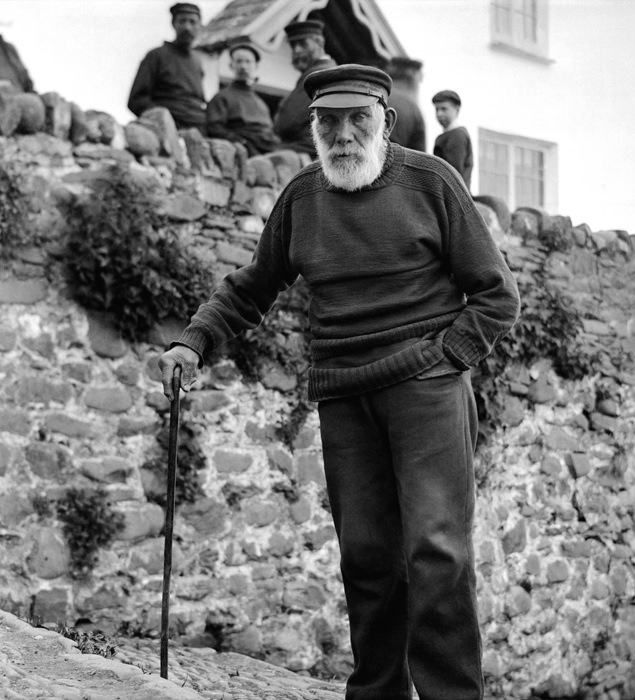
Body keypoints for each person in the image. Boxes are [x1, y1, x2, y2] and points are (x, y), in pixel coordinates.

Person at [158, 64, 519, 700]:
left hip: (426, 390)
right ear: (313, 127)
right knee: (368, 557)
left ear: (386, 121)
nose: (344, 135)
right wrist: (194, 339)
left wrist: (447, 358)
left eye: (358, 120)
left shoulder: (431, 182)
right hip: (343, 394)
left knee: (437, 554)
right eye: (329, 122)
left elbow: (496, 293)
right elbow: (252, 286)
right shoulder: (303, 197)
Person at [127, 2, 206, 132]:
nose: (187, 27)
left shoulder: (197, 62)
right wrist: (164, 120)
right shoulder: (156, 56)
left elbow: (199, 101)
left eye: (192, 22)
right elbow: (137, 100)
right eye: (182, 21)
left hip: (198, 126)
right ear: (174, 24)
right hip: (168, 127)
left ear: (199, 26)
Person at [272, 19, 336, 162]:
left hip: (307, 151)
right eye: (293, 45)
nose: (296, 51)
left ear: (319, 43)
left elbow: (286, 124)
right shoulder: (333, 71)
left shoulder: (316, 75)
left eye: (303, 44)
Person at [206, 39, 281, 156]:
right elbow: (214, 127)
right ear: (231, 65)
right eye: (239, 61)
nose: (243, 66)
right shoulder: (222, 97)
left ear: (255, 66)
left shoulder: (261, 104)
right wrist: (238, 141)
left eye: (248, 61)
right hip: (244, 150)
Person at [432, 89, 473, 189]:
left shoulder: (457, 135)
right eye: (437, 109)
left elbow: (453, 173)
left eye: (444, 109)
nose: (439, 114)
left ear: (457, 109)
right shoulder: (444, 136)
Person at [386, 56, 426, 152]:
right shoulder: (412, 108)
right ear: (413, 76)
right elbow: (419, 160)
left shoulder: (373, 95)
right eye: (420, 78)